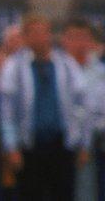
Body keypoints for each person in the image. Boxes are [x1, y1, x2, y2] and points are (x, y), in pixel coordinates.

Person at [0, 13, 90, 201]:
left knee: (63, 194)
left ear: (49, 34)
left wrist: (83, 143)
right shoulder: (13, 67)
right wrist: (11, 147)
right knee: (30, 194)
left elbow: (82, 105)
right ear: (25, 37)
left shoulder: (66, 64)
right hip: (29, 146)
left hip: (62, 144)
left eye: (42, 32)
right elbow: (6, 112)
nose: (39, 37)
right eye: (33, 33)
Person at [61, 17, 105, 201]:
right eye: (74, 37)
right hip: (61, 142)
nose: (79, 42)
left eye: (83, 37)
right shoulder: (57, 70)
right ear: (64, 40)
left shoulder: (100, 71)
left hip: (97, 143)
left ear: (90, 40)